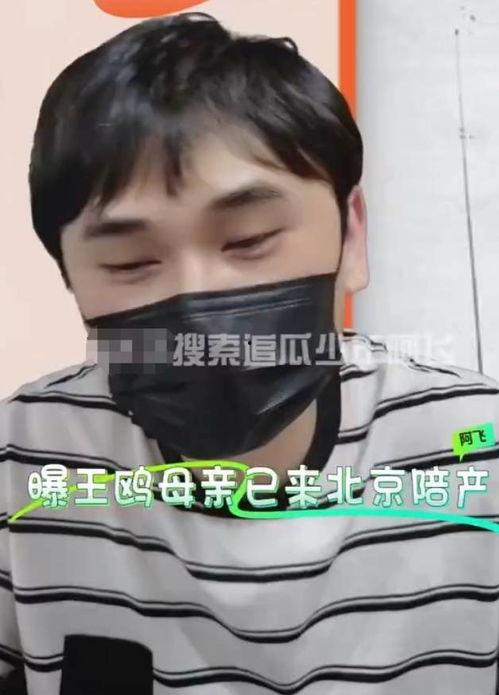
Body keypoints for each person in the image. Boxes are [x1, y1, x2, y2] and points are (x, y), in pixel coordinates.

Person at [1, 11, 499, 695]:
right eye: (130, 262)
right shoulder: (24, 457)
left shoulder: (477, 446)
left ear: (351, 237)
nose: (199, 308)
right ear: (70, 277)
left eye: (250, 239)